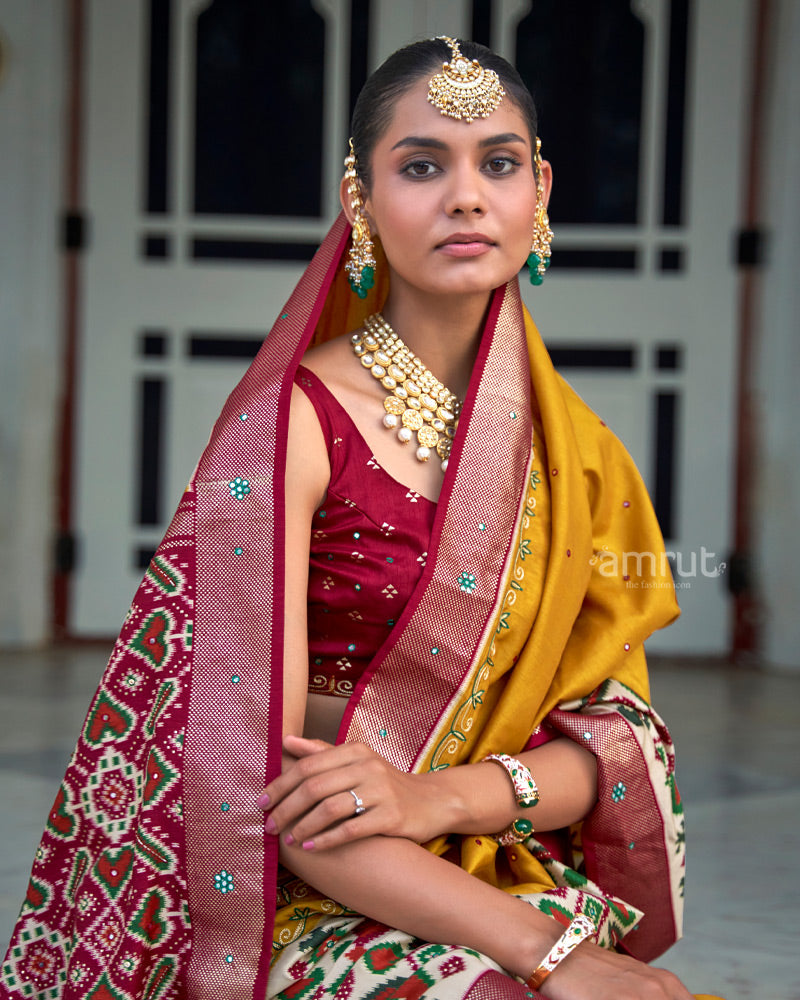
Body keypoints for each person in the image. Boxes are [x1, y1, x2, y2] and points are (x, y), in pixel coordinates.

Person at [0, 37, 724, 1000]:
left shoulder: (575, 450)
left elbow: (620, 745)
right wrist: (551, 955)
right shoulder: (295, 428)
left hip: (482, 860)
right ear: (361, 198)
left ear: (539, 191)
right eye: (422, 165)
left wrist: (441, 798)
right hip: (290, 884)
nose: (467, 196)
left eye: (498, 163)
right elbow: (260, 792)